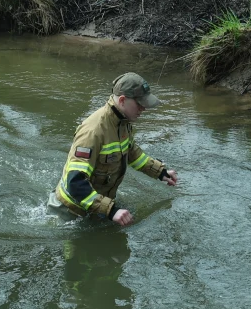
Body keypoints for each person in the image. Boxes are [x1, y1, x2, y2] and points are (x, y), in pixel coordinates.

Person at [50, 73, 178, 226]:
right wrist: (111, 211)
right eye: (139, 104)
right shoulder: (93, 131)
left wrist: (160, 172)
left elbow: (132, 153)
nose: (143, 109)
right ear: (122, 100)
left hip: (96, 206)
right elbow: (75, 183)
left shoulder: (122, 122)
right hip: (69, 213)